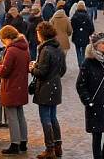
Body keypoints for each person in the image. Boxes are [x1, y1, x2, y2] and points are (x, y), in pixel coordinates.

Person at [0, 26, 30, 155]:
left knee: (12, 117)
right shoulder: (24, 48)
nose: (2, 42)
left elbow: (4, 71)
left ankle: (15, 144)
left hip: (11, 87)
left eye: (3, 39)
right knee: (20, 115)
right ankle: (23, 142)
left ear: (7, 38)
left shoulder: (12, 50)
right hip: (21, 86)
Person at [30, 22, 66, 159]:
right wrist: (54, 76)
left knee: (46, 119)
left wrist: (32, 68)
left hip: (45, 88)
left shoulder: (45, 50)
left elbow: (42, 72)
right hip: (55, 87)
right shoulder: (58, 48)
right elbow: (63, 70)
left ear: (42, 34)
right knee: (53, 117)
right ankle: (58, 145)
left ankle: (49, 148)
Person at [71, 1, 95, 67]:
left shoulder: (74, 17)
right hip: (85, 36)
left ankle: (80, 63)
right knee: (84, 51)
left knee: (78, 50)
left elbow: (71, 27)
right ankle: (83, 63)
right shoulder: (87, 16)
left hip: (76, 36)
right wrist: (89, 33)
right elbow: (91, 28)